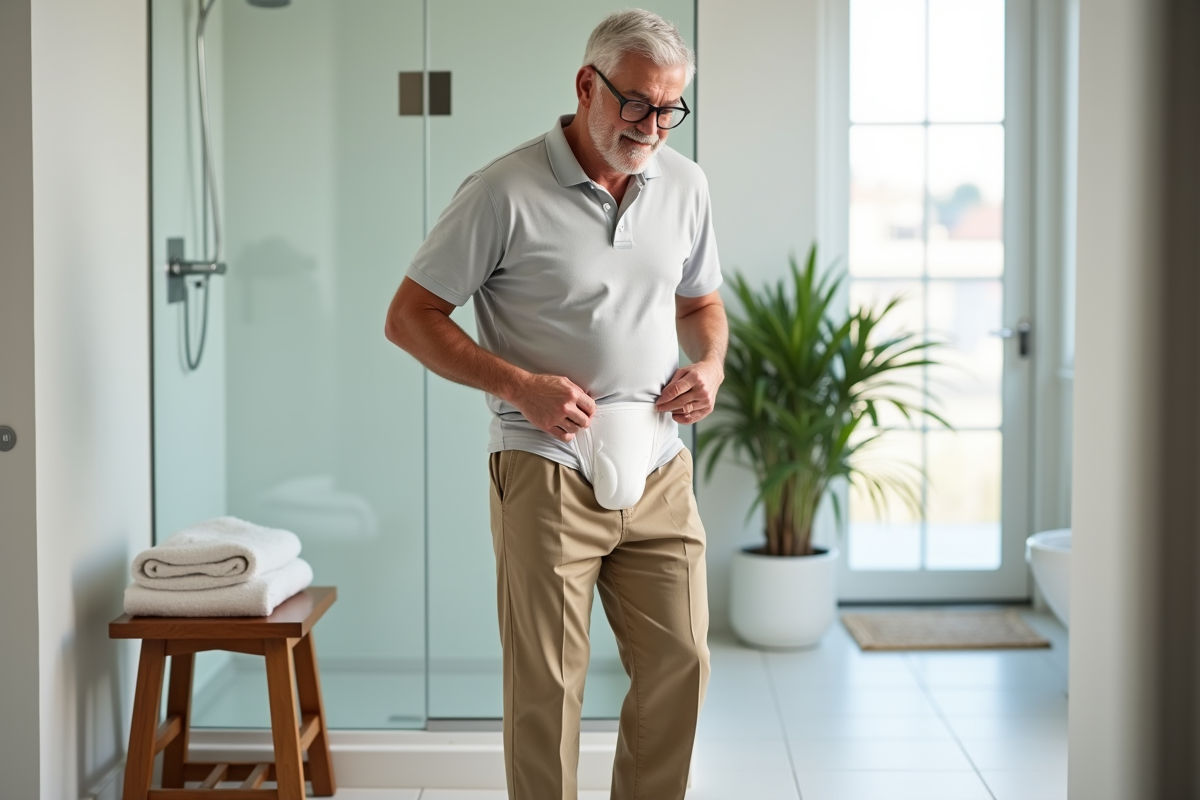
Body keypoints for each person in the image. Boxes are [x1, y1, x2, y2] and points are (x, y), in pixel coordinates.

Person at [384, 9, 726, 799]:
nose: (653, 126)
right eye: (637, 102)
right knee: (547, 688)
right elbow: (409, 318)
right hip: (545, 465)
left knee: (681, 660)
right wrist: (518, 386)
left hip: (659, 459)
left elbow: (702, 305)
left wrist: (708, 366)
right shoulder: (502, 191)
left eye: (671, 109)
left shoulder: (686, 184)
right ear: (587, 84)